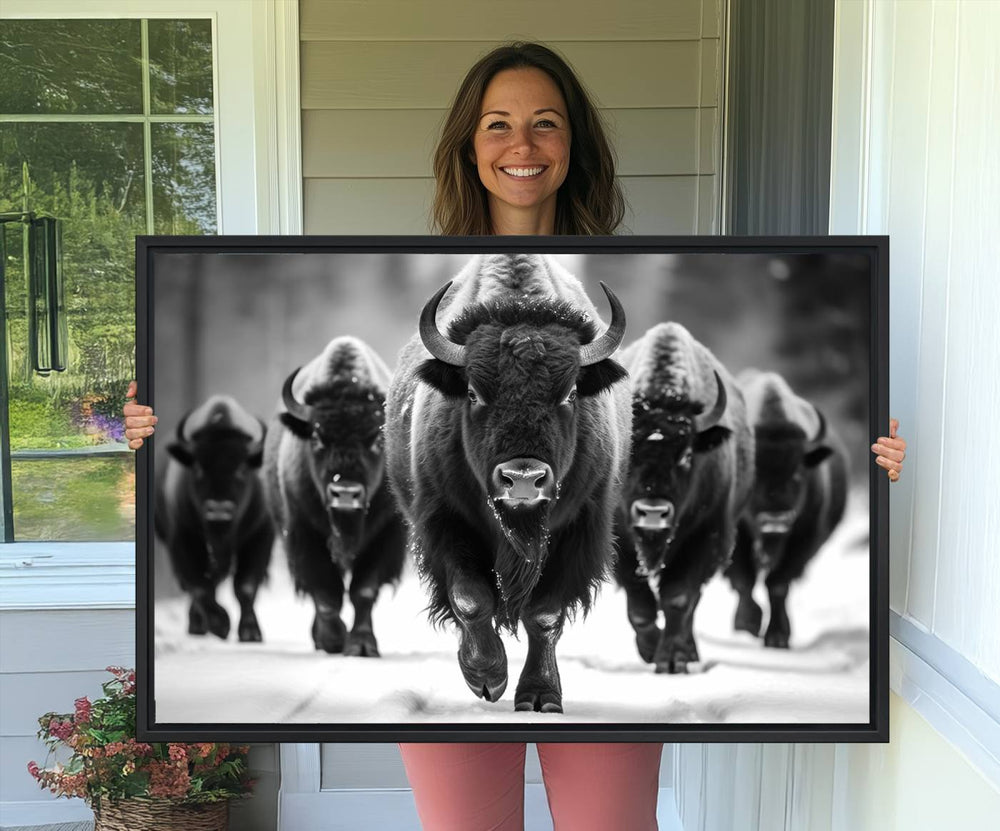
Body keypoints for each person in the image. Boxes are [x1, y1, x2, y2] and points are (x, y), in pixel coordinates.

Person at [124, 41, 907, 831]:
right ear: (469, 145)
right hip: (464, 505)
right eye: (498, 124)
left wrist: (880, 459)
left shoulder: (608, 323)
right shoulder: (432, 338)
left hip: (562, 508)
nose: (522, 145)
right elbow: (430, 507)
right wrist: (142, 429)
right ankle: (472, 609)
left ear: (575, 145)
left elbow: (595, 505)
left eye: (546, 124)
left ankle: (543, 643)